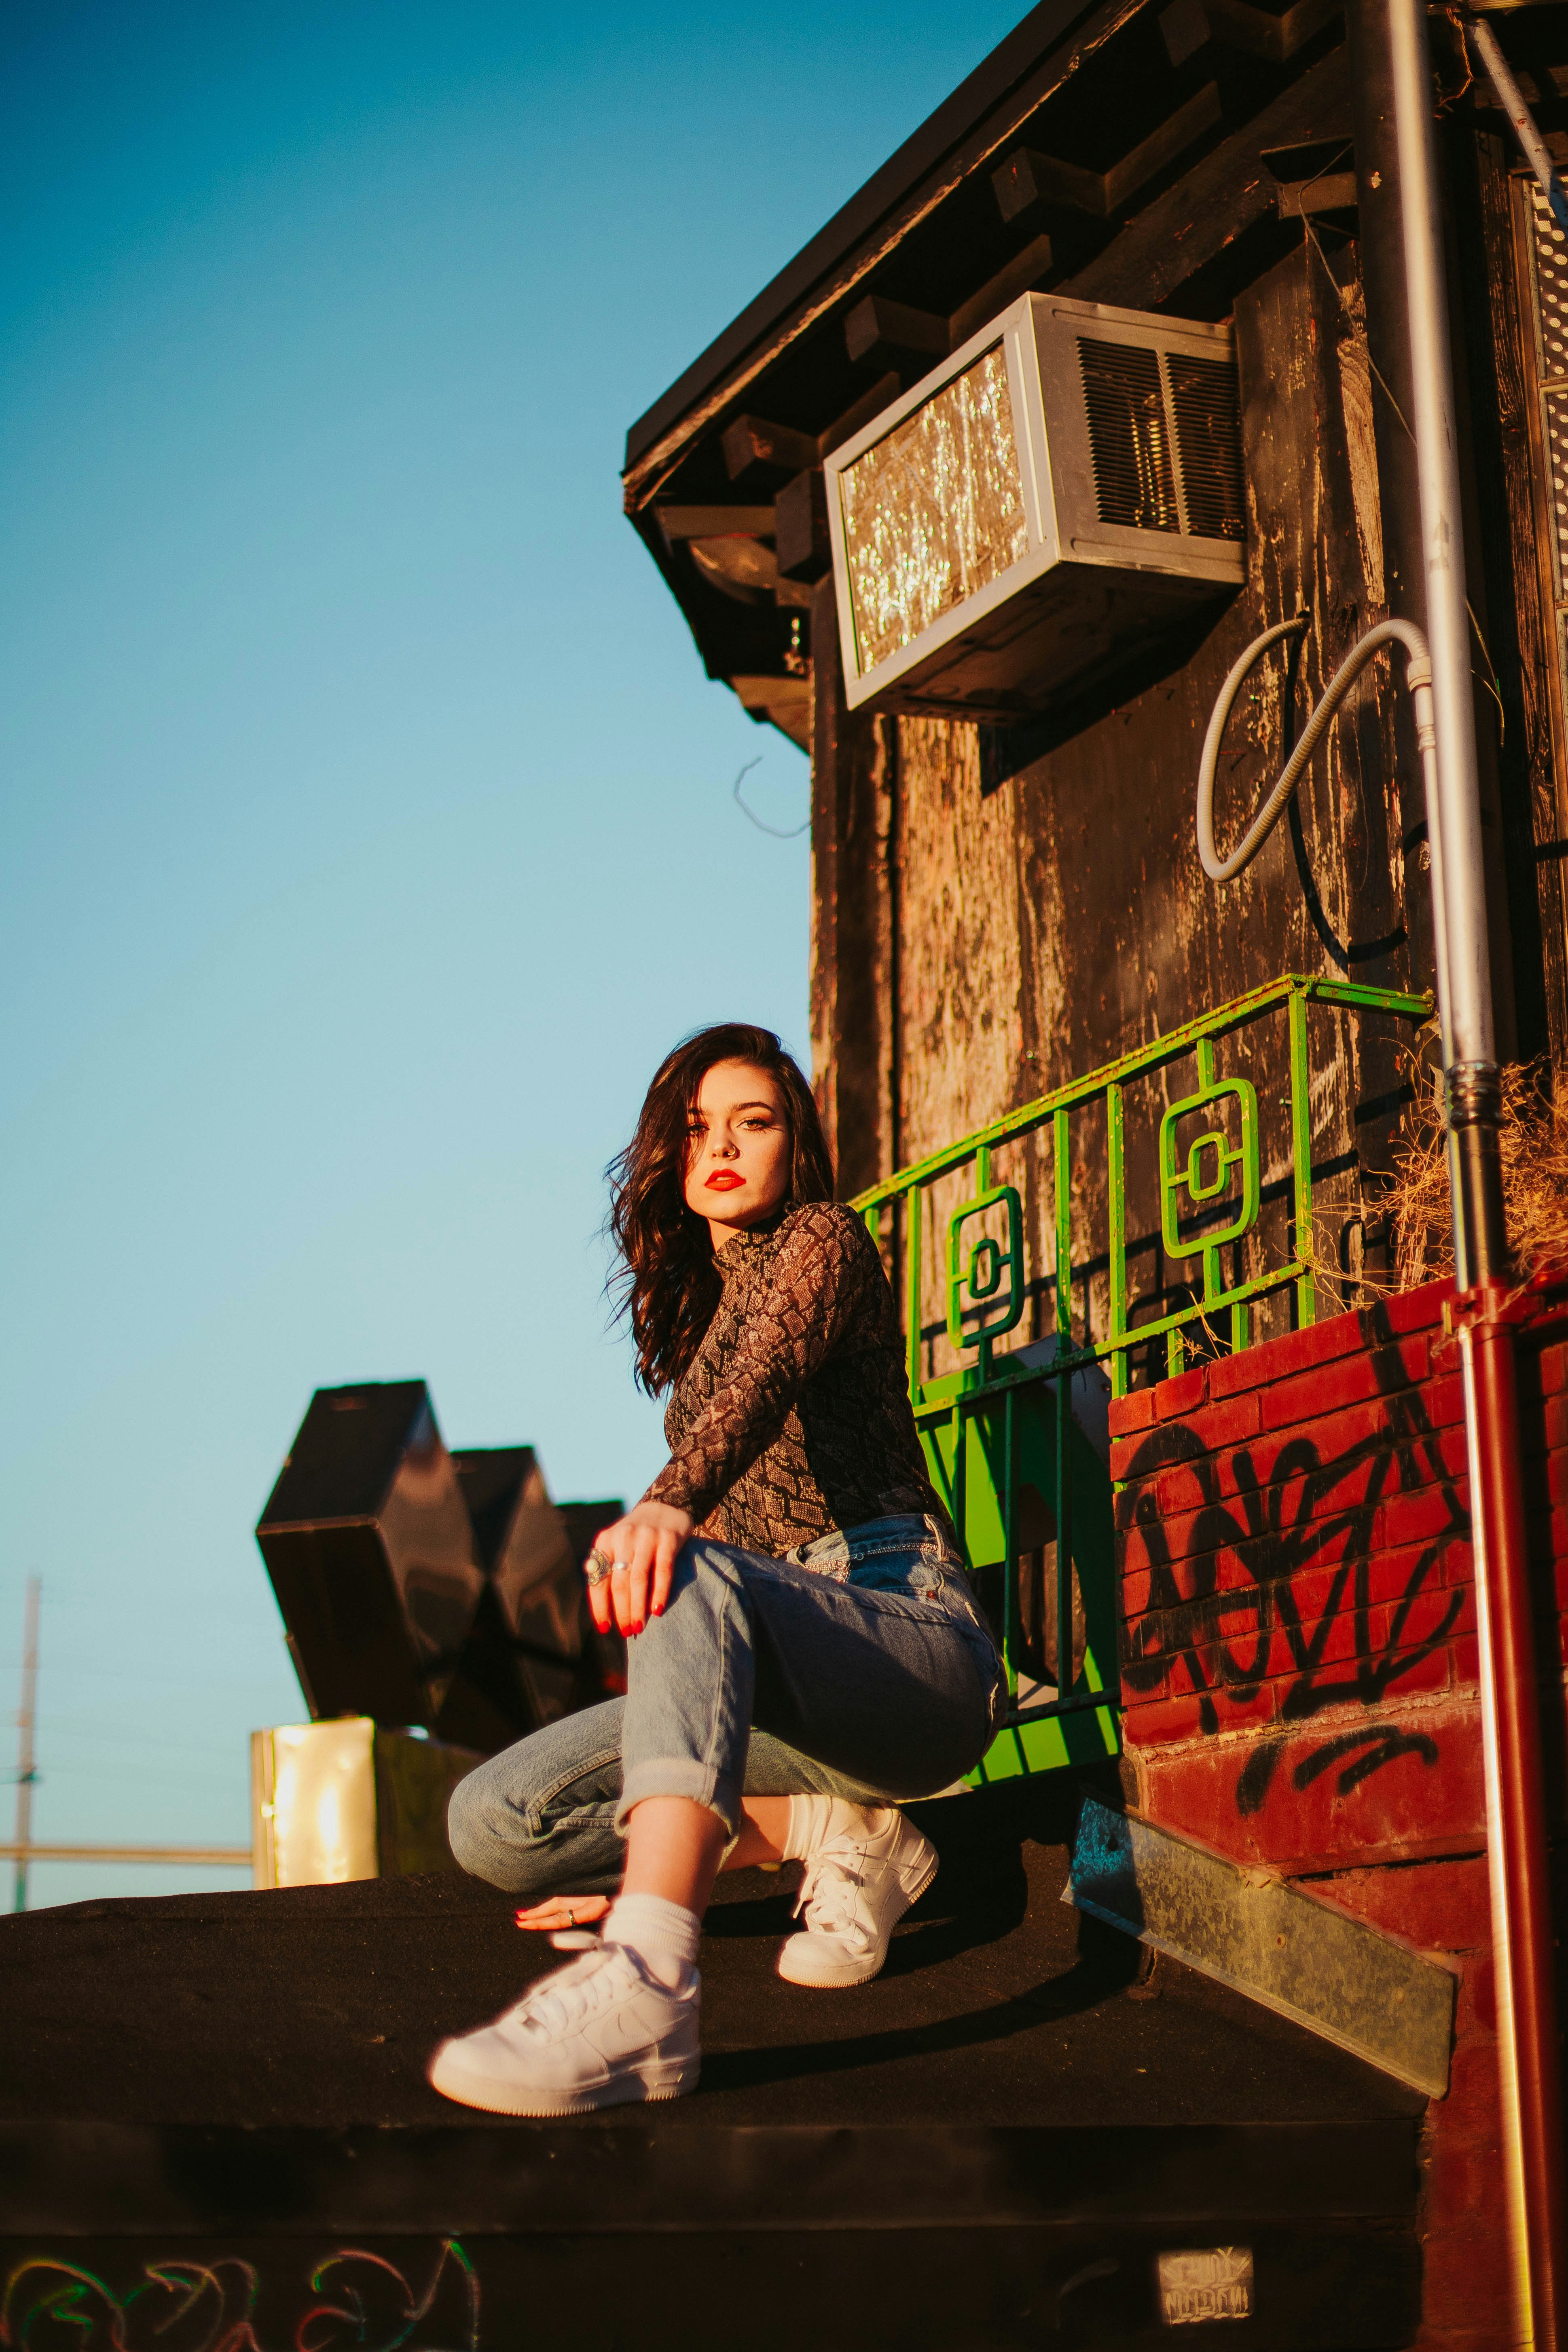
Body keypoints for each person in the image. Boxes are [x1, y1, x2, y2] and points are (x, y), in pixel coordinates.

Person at [429, 1022, 1004, 2116]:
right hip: (777, 1674)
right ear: (668, 1159)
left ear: (797, 1145)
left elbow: (760, 1389)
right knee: (496, 1822)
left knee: (689, 1569)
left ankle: (648, 1979)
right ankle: (829, 1826)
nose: (724, 1147)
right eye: (697, 1130)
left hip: (909, 1650)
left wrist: (665, 1506)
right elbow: (721, 1415)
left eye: (755, 1121)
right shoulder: (699, 1343)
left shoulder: (826, 1242)